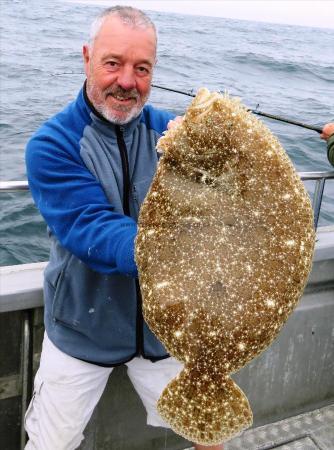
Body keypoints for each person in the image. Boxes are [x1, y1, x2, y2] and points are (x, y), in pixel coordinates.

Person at [24, 6, 224, 450]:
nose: (127, 82)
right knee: (49, 443)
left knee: (208, 433)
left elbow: (221, 202)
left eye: (142, 68)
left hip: (166, 329)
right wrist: (175, 250)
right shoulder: (53, 143)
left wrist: (217, 155)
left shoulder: (175, 132)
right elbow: (89, 227)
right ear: (87, 58)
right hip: (81, 328)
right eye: (113, 63)